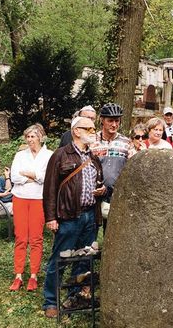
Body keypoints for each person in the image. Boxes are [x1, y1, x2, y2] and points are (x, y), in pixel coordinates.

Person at [41, 116, 106, 318]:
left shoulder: (93, 157)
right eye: (89, 128)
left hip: (89, 216)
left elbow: (98, 182)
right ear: (76, 131)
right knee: (59, 260)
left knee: (84, 260)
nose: (93, 131)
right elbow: (49, 189)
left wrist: (101, 189)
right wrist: (51, 217)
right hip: (68, 217)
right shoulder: (61, 155)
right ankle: (51, 301)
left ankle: (75, 295)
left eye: (94, 128)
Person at [9, 124, 52, 292]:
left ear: (40, 137)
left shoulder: (49, 155)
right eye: (27, 137)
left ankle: (33, 275)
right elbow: (14, 176)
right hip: (20, 198)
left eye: (32, 137)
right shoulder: (20, 155)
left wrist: (31, 174)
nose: (29, 140)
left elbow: (47, 177)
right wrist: (32, 177)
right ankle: (18, 275)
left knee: (36, 238)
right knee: (20, 237)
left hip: (38, 199)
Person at [91, 103, 135, 208]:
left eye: (117, 121)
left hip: (117, 195)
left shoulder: (126, 142)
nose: (114, 125)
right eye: (110, 121)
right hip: (94, 194)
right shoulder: (92, 141)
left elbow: (133, 167)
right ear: (102, 120)